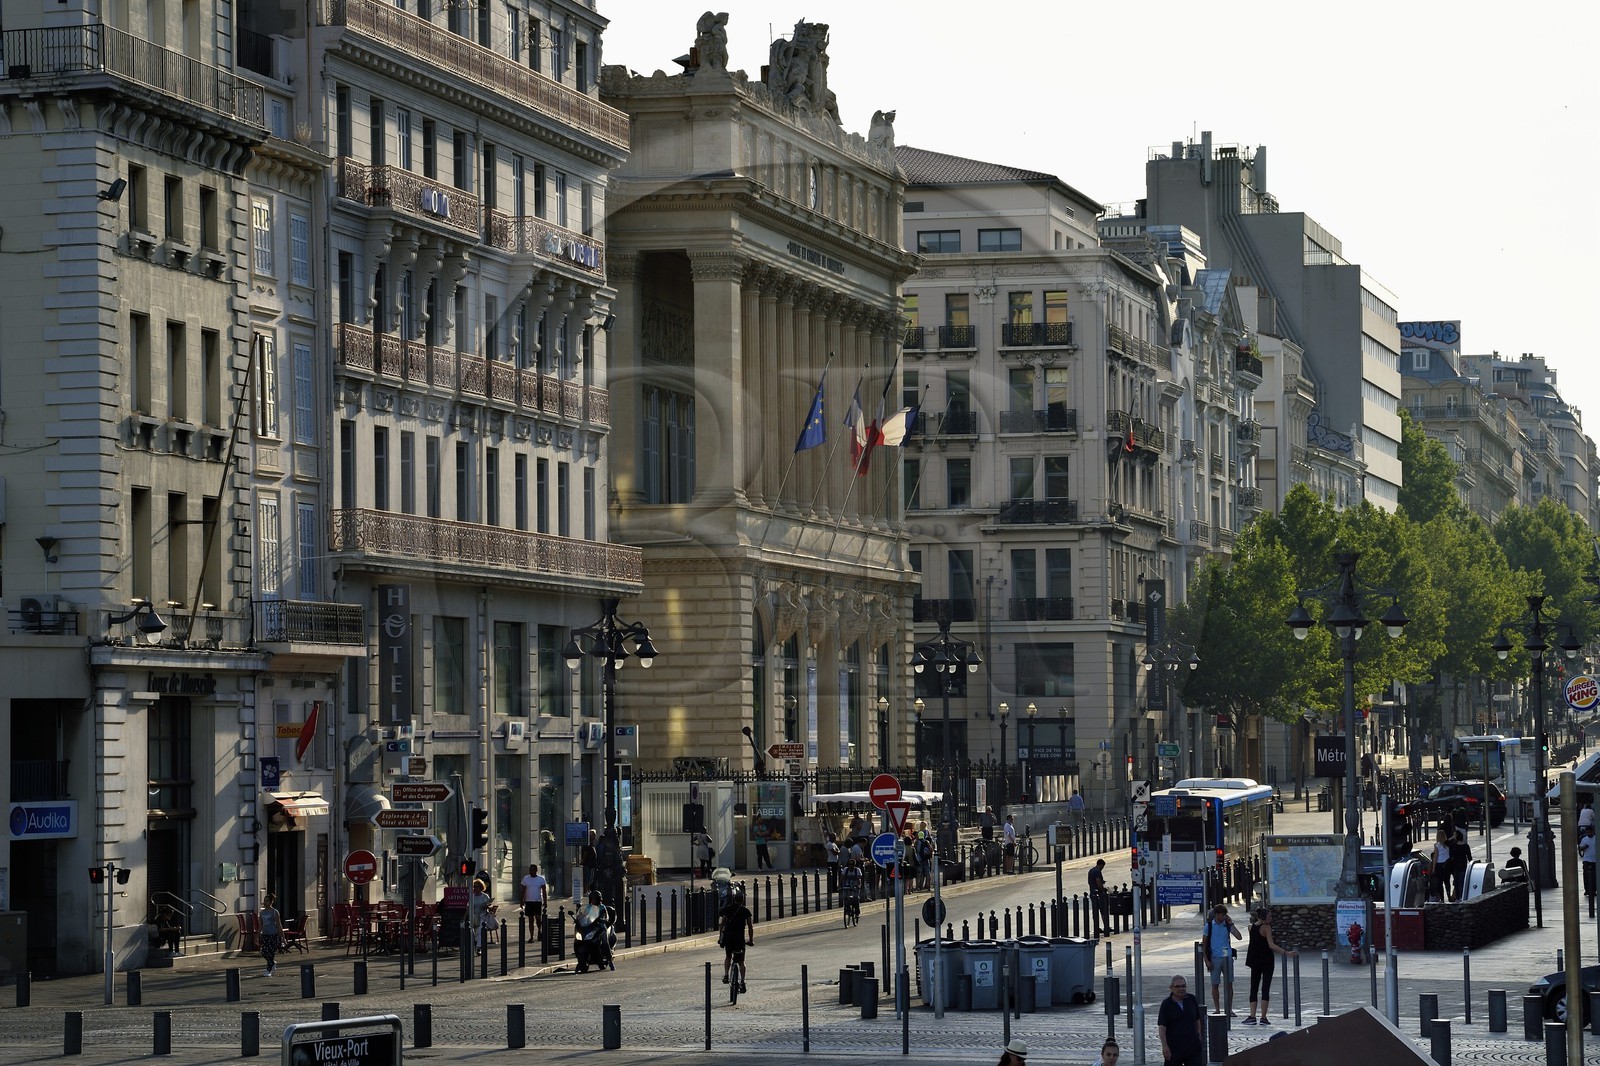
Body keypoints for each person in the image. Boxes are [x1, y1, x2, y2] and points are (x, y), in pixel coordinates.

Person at [1242, 906, 1296, 1024]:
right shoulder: (1266, 928)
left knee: (1254, 987)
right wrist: (1286, 953)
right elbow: (1271, 945)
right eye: (1269, 916)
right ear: (1263, 917)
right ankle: (1263, 1017)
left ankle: (1252, 1016)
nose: (1271, 918)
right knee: (1265, 988)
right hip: (1266, 960)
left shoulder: (1250, 927)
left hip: (1255, 960)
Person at [1204, 903, 1243, 1015]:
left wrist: (1231, 924)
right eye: (1222, 915)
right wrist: (1206, 960)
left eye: (1225, 915)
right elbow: (1205, 944)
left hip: (1227, 957)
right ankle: (1217, 1008)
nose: (1224, 917)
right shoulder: (1209, 926)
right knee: (1215, 984)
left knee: (1229, 983)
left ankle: (1229, 1009)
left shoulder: (1227, 924)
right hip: (1215, 957)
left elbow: (1239, 937)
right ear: (1216, 915)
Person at [1157, 974, 1203, 1066]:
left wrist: (1198, 1035)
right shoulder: (1166, 1004)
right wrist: (1165, 1046)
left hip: (1192, 1047)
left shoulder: (1192, 999)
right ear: (1171, 988)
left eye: (1183, 986)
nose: (1181, 989)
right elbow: (1162, 1027)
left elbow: (1197, 1019)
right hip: (1174, 1047)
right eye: (1177, 986)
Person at [718, 886, 754, 991]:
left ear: (734, 899)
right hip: (739, 939)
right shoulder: (746, 911)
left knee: (728, 956)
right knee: (741, 961)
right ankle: (742, 982)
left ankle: (726, 975)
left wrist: (721, 937)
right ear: (743, 900)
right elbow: (750, 926)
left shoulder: (728, 909)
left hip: (728, 938)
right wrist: (751, 940)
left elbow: (722, 924)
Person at [519, 863, 548, 939]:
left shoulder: (541, 879)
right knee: (530, 919)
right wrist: (521, 901)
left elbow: (544, 891)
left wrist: (545, 901)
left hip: (537, 901)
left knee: (538, 918)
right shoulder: (525, 879)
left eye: (532, 870)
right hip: (528, 901)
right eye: (530, 870)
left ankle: (539, 930)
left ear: (536, 871)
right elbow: (522, 890)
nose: (531, 871)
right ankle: (531, 936)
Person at [259, 892, 282, 978]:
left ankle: (268, 969)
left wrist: (281, 935)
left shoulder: (274, 912)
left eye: (267, 901)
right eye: (264, 901)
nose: (265, 902)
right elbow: (260, 925)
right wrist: (258, 935)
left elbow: (279, 924)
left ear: (271, 902)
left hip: (273, 933)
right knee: (264, 951)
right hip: (265, 933)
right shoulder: (262, 913)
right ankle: (272, 962)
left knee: (270, 951)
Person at [470, 878, 496, 949]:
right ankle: (474, 944)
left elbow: (490, 905)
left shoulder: (484, 896)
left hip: (482, 916)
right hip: (473, 916)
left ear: (481, 887)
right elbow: (468, 906)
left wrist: (487, 906)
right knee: (473, 932)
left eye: (476, 886)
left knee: (480, 931)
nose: (474, 888)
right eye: (474, 886)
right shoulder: (472, 896)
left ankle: (479, 947)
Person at [1088, 858, 1112, 936]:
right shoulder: (1098, 871)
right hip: (1099, 894)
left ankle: (1096, 927)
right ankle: (1106, 926)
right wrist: (1103, 889)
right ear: (1101, 865)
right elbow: (1098, 881)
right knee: (1103, 910)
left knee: (1095, 911)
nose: (1102, 868)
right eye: (1103, 866)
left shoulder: (1091, 870)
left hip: (1092, 893)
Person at [1581, 825, 1597, 899]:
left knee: (1594, 877)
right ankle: (1587, 889)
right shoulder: (1584, 839)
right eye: (1587, 832)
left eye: (1590, 832)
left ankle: (1594, 890)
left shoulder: (1596, 839)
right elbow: (1580, 848)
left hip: (1595, 861)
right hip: (1587, 860)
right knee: (1586, 876)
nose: (1588, 833)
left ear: (1593, 832)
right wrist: (1584, 847)